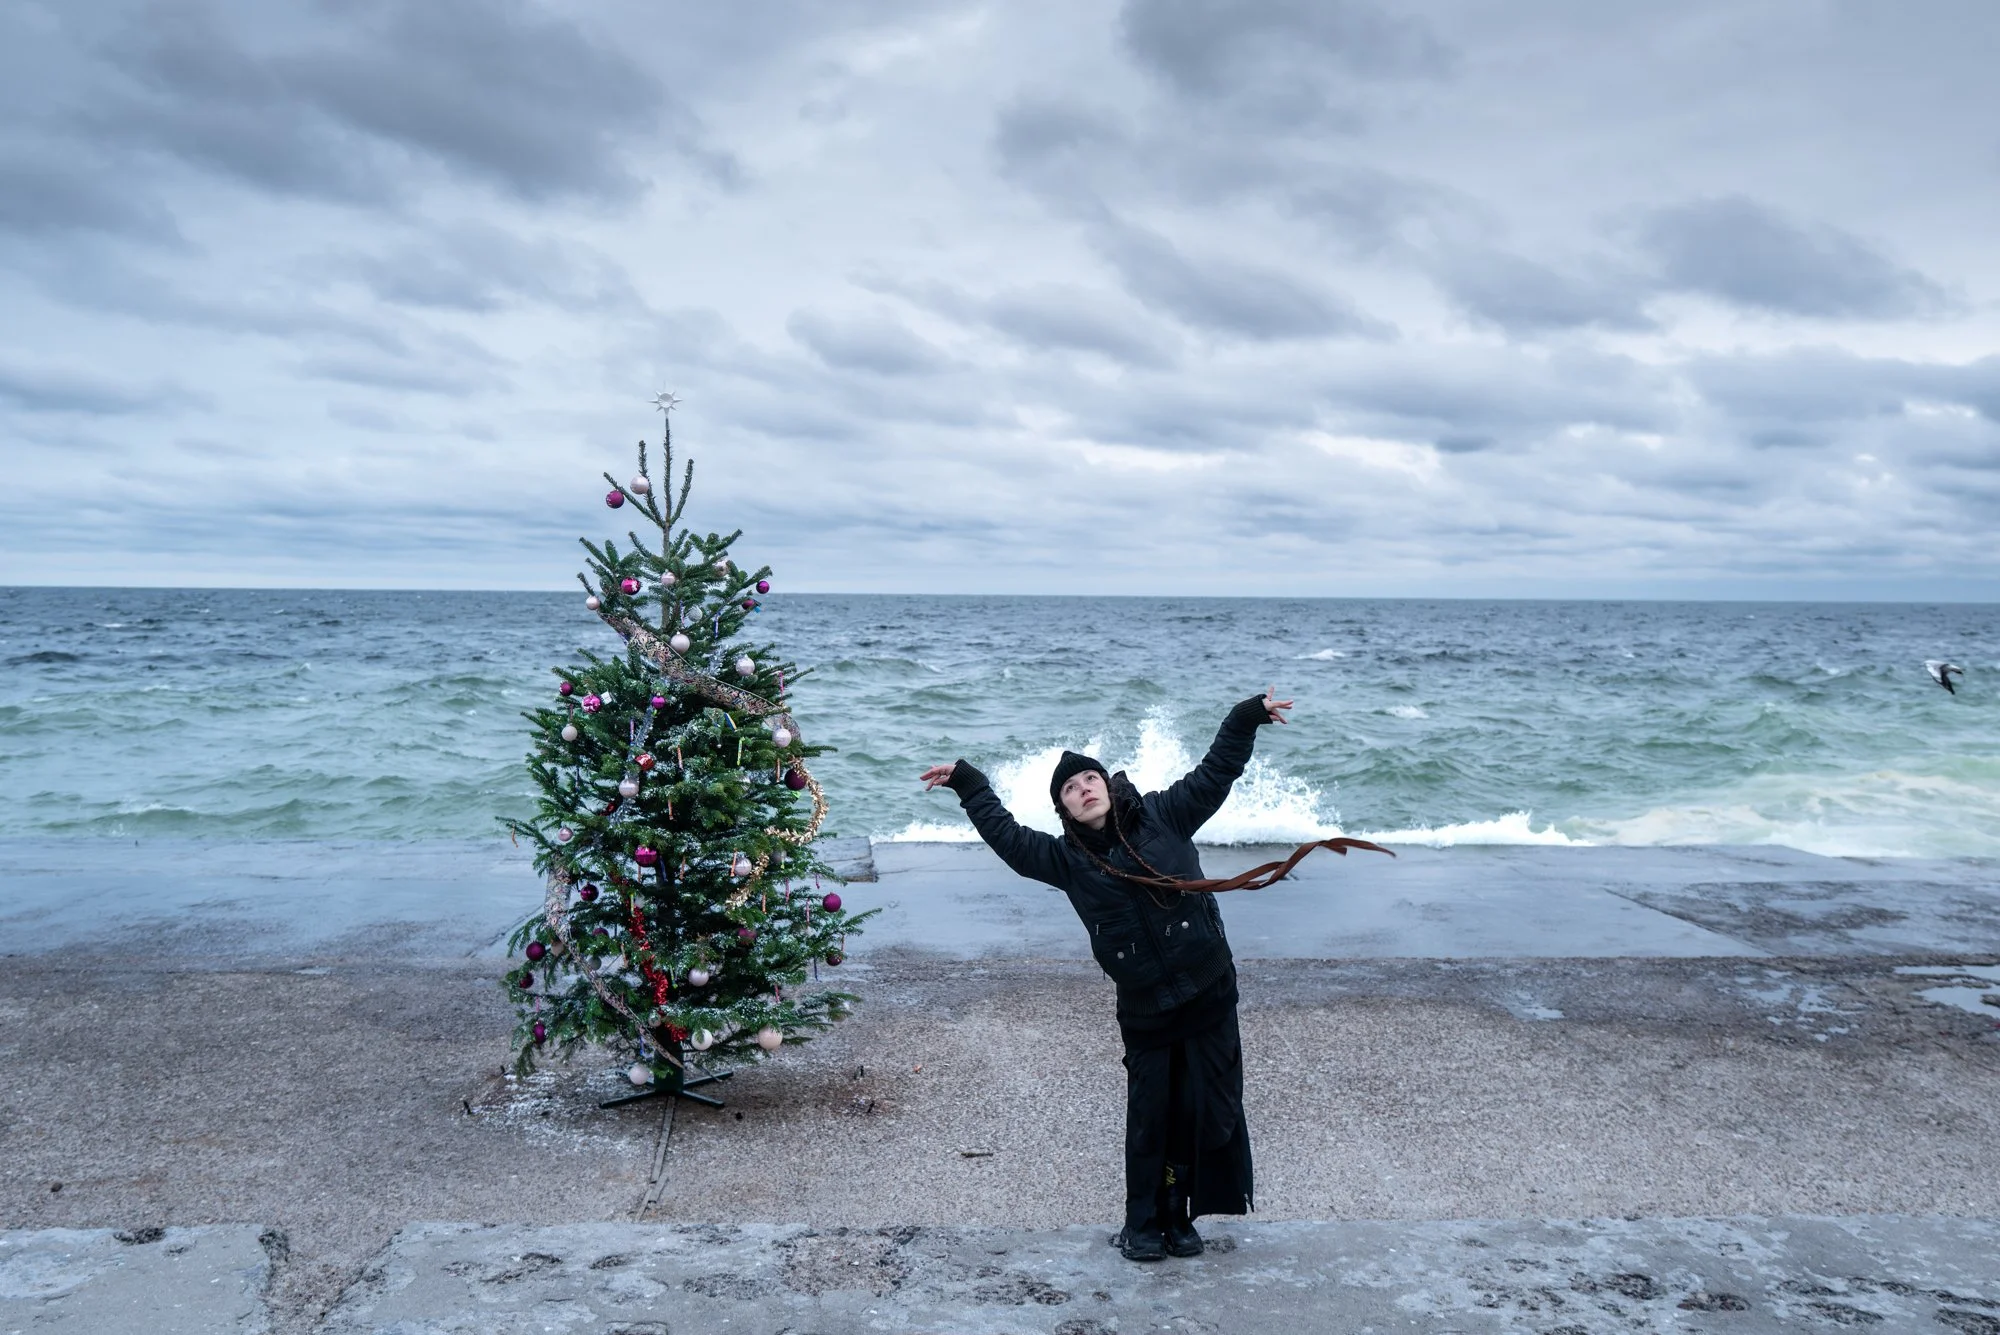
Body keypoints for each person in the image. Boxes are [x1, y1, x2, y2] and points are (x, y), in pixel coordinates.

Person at [919, 689, 1293, 1263]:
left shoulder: (1167, 814)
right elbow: (1008, 838)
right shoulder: (1066, 862)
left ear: (1108, 785)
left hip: (1210, 990)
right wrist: (970, 784)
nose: (1083, 788)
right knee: (1151, 1119)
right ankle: (1142, 1222)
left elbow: (1216, 770)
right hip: (1147, 1009)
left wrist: (1245, 717)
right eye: (1070, 789)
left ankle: (1180, 1213)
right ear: (1064, 810)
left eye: (1089, 778)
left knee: (1205, 1109)